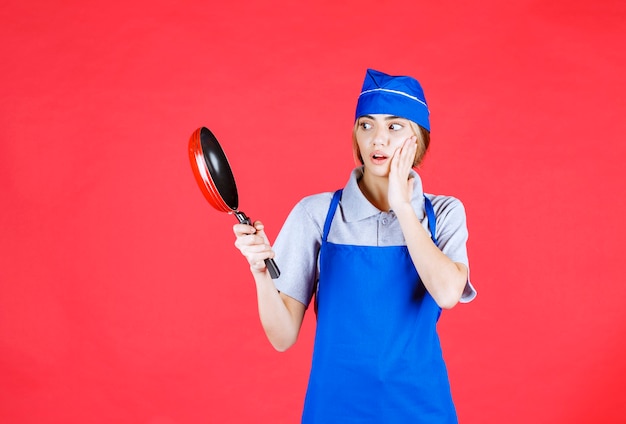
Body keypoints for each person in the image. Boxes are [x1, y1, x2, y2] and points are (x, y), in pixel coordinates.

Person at [233, 68, 477, 423]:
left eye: (394, 126)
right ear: (356, 137)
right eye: (367, 125)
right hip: (334, 407)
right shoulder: (317, 214)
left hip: (421, 407)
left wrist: (403, 207)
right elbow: (282, 336)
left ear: (418, 140)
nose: (378, 139)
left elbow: (447, 293)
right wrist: (259, 272)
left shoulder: (443, 213)